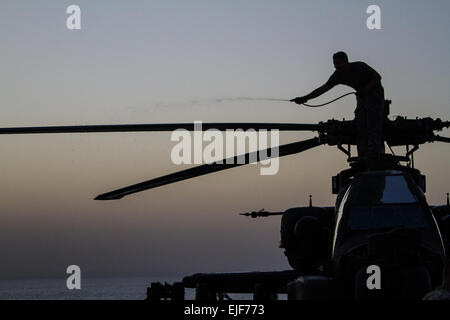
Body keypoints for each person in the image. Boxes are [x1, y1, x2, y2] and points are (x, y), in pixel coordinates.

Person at [291, 51, 385, 165]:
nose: (336, 66)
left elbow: (378, 77)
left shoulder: (360, 66)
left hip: (375, 94)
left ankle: (374, 155)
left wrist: (366, 89)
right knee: (360, 125)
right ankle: (363, 156)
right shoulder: (337, 75)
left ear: (346, 61)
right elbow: (323, 88)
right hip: (361, 96)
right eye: (334, 63)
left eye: (338, 63)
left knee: (372, 124)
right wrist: (305, 98)